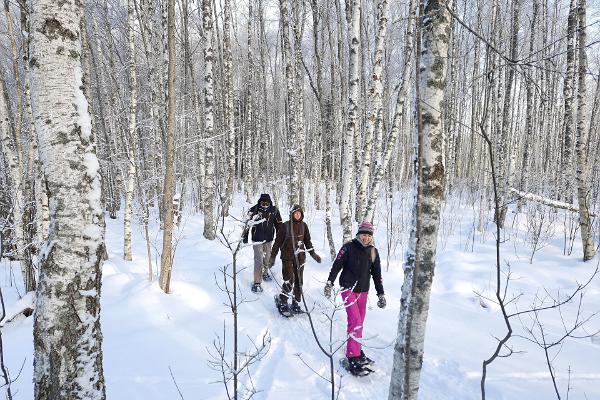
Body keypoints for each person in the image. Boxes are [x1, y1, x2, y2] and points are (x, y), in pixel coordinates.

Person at [323, 221, 386, 376]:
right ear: (359, 234)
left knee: (359, 323)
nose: (366, 238)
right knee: (355, 321)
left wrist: (381, 294)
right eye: (363, 234)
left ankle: (356, 348)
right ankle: (352, 355)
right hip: (348, 288)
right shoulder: (348, 247)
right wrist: (329, 282)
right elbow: (337, 265)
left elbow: (377, 275)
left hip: (363, 291)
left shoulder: (373, 251)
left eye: (368, 235)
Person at [269, 204, 321, 314]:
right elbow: (277, 242)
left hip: (300, 257)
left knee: (299, 281)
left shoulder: (304, 226)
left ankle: (295, 303)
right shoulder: (285, 226)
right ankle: (283, 301)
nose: (297, 215)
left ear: (302, 214)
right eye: (295, 213)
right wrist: (272, 257)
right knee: (289, 279)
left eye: (299, 213)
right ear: (292, 214)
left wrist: (313, 254)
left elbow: (307, 241)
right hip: (287, 257)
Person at [243, 194, 282, 293]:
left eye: (266, 203)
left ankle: (265, 273)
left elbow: (279, 225)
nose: (264, 205)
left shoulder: (274, 210)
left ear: (270, 203)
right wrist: (245, 236)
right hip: (257, 239)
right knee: (258, 260)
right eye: (263, 203)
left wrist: (280, 238)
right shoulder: (254, 210)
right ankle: (257, 283)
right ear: (260, 202)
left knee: (268, 257)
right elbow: (247, 223)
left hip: (269, 239)